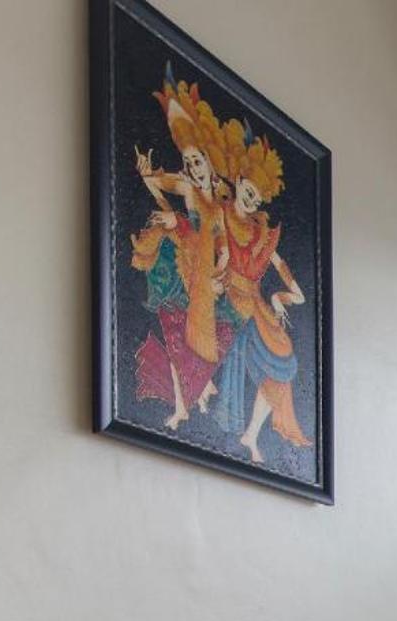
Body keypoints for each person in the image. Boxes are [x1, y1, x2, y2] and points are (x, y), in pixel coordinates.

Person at [129, 74, 231, 429]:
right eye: (188, 163)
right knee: (174, 334)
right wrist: (147, 175)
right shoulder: (187, 188)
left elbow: (222, 248)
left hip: (204, 277)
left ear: (208, 162)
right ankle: (184, 401)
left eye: (197, 161)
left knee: (196, 340)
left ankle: (194, 394)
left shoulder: (218, 209)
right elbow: (159, 183)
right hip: (183, 266)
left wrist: (220, 274)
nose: (192, 168)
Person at [213, 129, 310, 463]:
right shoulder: (220, 212)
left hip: (253, 301)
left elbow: (279, 264)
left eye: (257, 199)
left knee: (284, 358)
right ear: (239, 182)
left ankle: (252, 434)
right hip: (228, 293)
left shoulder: (260, 232)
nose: (252, 201)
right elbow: (219, 252)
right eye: (249, 192)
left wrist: (284, 295)